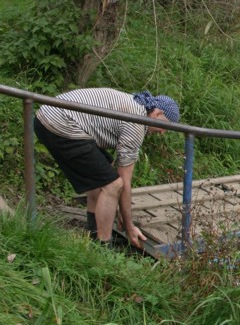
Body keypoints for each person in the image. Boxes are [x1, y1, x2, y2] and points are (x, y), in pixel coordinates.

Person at [33, 88, 180, 248]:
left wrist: (125, 216)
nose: (163, 133)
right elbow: (125, 181)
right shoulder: (137, 123)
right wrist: (129, 225)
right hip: (60, 123)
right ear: (157, 114)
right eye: (165, 126)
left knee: (104, 171)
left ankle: (94, 233)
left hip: (50, 116)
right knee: (113, 184)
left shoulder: (135, 106)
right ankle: (103, 247)